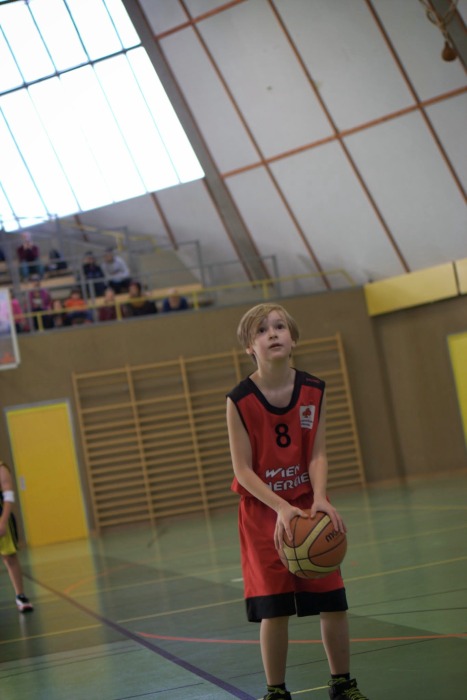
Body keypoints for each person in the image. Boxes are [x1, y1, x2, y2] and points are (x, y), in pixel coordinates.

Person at [226, 303, 368, 700]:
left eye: (279, 326)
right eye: (261, 330)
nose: (272, 333)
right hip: (263, 511)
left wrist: (319, 497)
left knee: (333, 601)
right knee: (274, 609)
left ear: (293, 339)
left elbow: (317, 453)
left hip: (308, 506)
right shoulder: (239, 400)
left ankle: (342, 684)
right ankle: (276, 691)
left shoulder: (313, 390)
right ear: (249, 347)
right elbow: (243, 471)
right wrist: (280, 507)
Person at [0, 461, 33, 612]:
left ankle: (20, 595)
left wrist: (3, 521)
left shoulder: (1, 469)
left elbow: (8, 496)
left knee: (10, 557)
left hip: (1, 517)